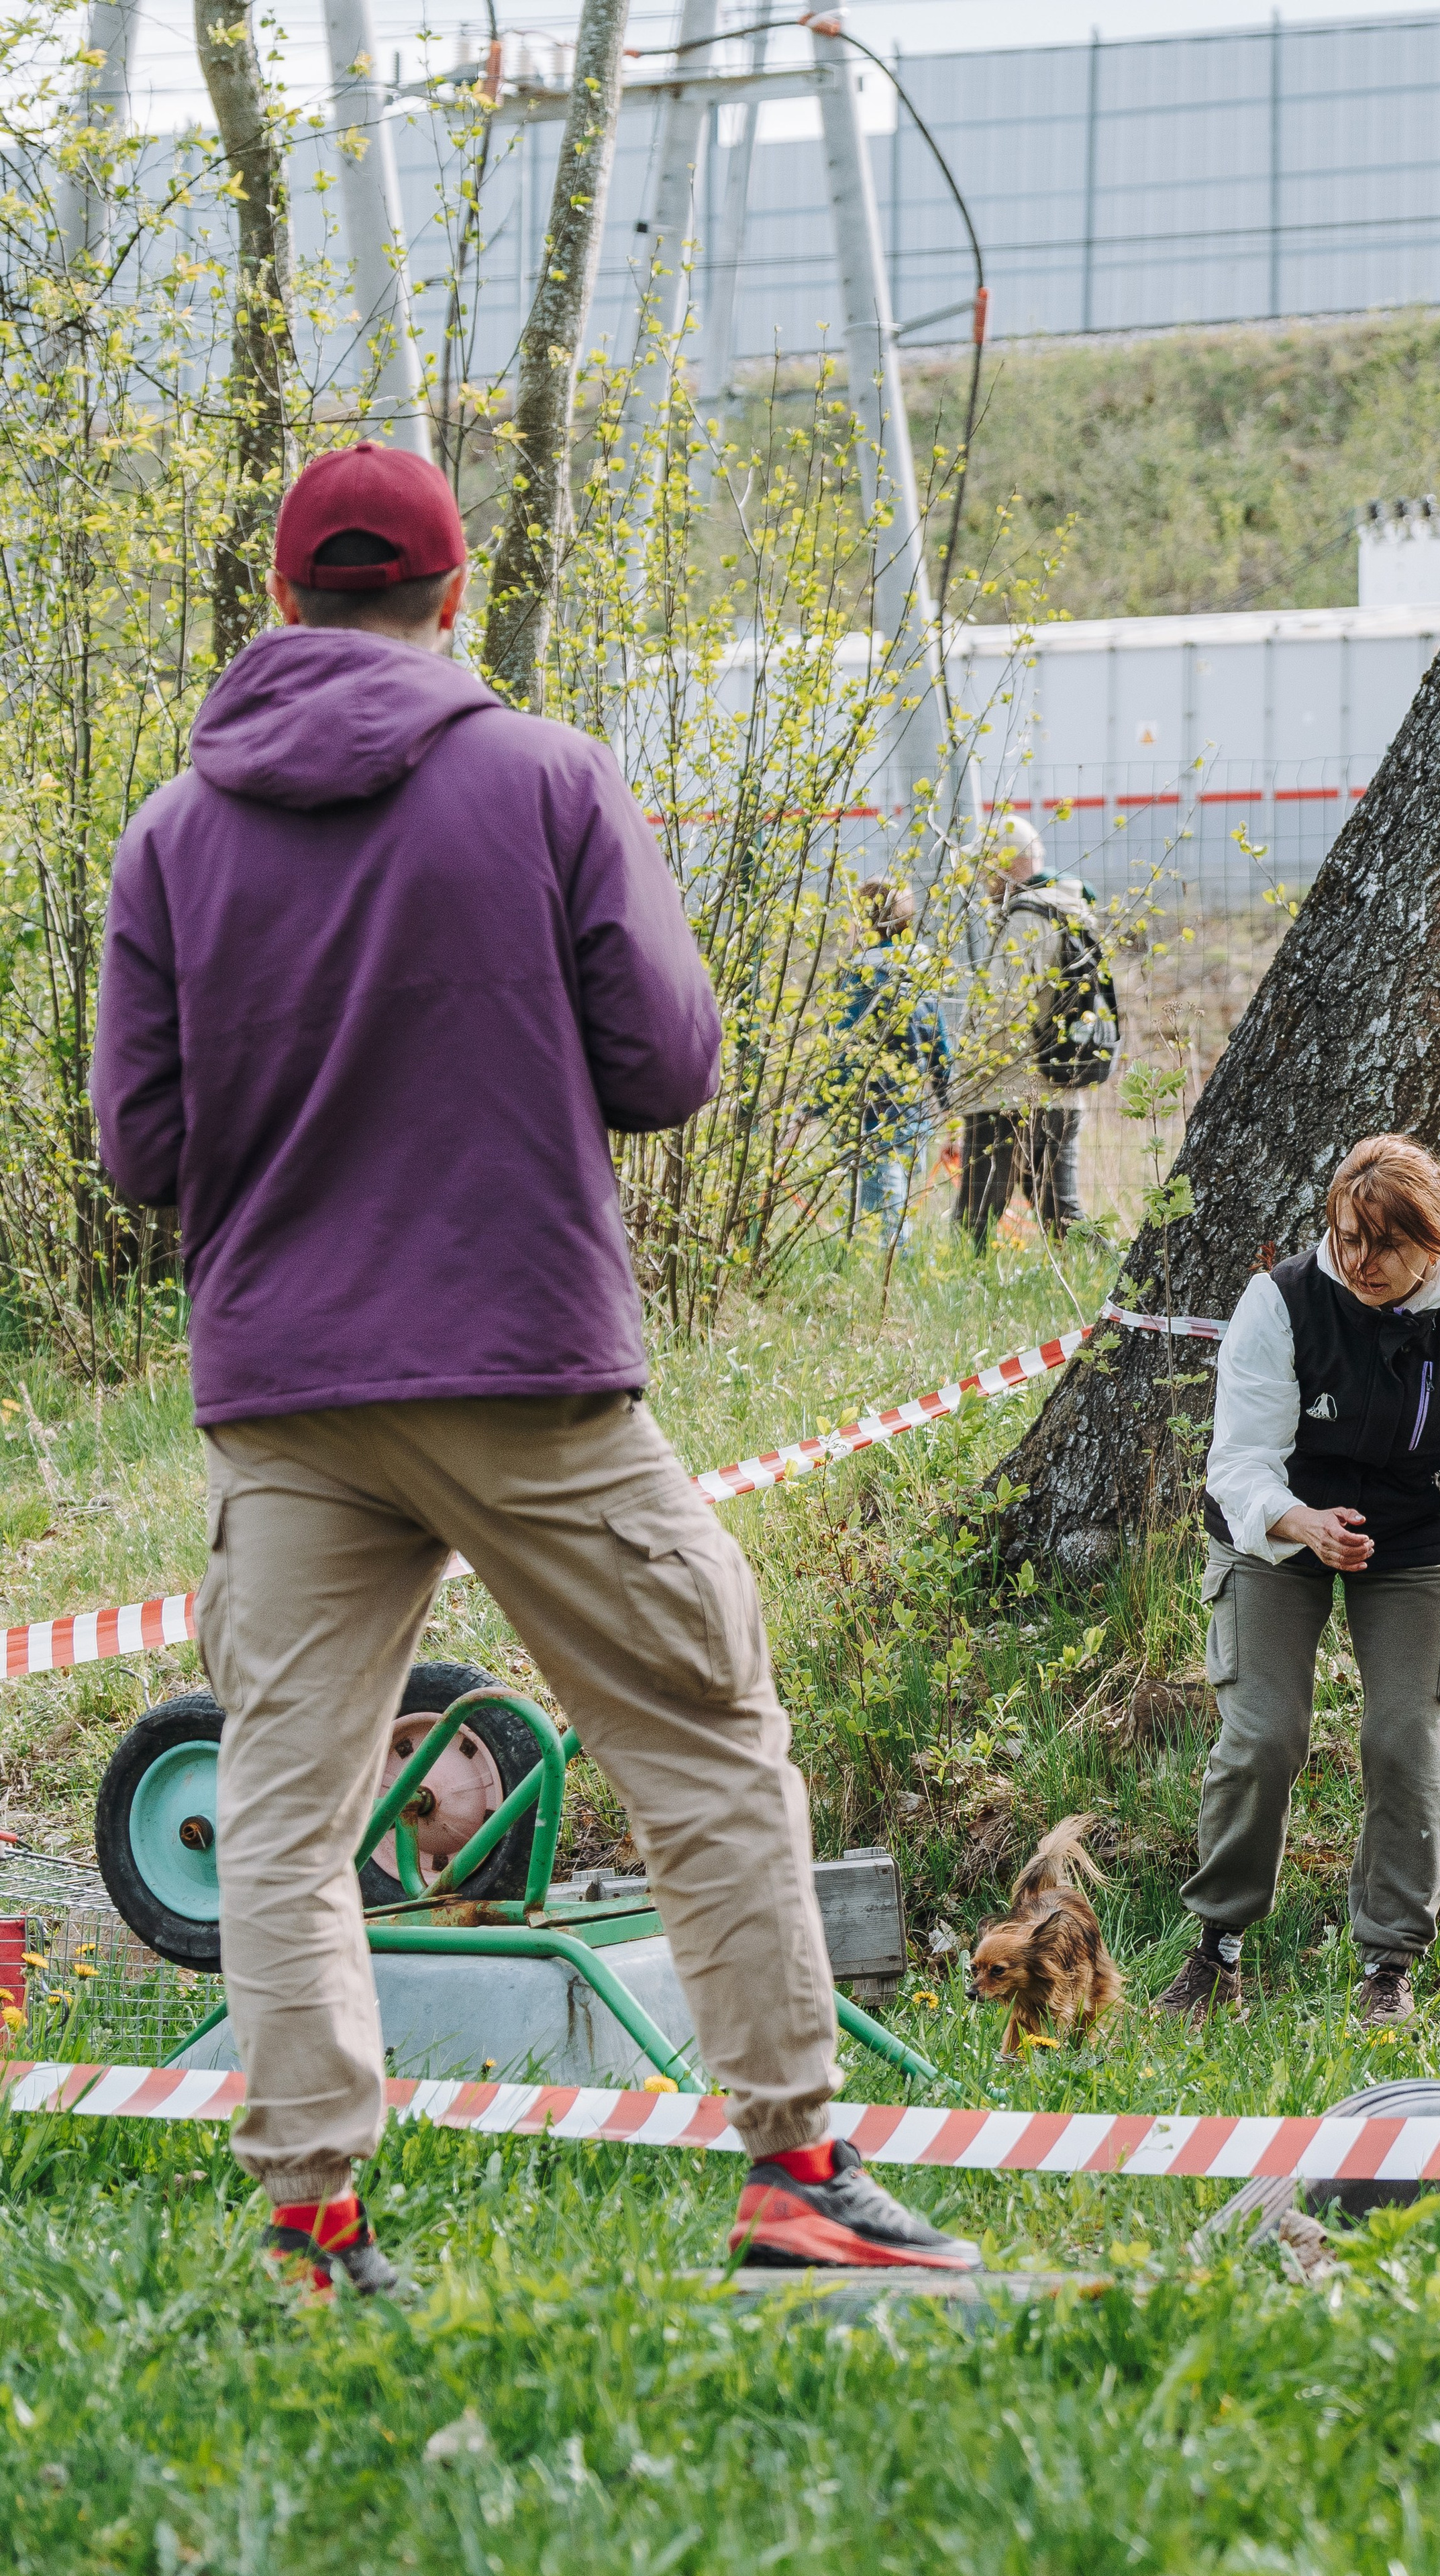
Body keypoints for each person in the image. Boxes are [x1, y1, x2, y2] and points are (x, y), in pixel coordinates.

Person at [91, 441, 978, 2290]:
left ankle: (313, 2222)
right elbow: (664, 1065)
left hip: (287, 1393)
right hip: (522, 1362)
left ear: (281, 602)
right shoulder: (549, 778)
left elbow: (142, 1144)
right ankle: (795, 2173)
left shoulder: (172, 836)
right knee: (707, 1741)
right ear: (454, 592)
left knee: (279, 1810)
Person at [1155, 1134, 1440, 2030]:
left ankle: (1388, 1962)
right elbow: (1236, 1461)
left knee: (1404, 1735)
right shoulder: (1279, 1304)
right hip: (1276, 1532)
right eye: (1348, 1236)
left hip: (1415, 1538)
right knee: (1266, 1730)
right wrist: (1299, 1520)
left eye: (1384, 1244)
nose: (1361, 1260)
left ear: (1434, 1240)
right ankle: (1218, 1950)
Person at [954, 814, 1116, 1246]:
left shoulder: (1026, 919)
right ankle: (1121, 1283)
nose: (983, 882)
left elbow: (1000, 1014)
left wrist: (966, 1081)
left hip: (1010, 1090)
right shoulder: (1072, 911)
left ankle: (961, 1287)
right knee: (1062, 1213)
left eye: (986, 869)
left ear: (1003, 866)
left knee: (974, 1215)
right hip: (1059, 1087)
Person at [827, 878, 951, 1242]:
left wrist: (810, 1111)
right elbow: (940, 1048)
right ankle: (892, 1282)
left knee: (880, 1228)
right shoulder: (922, 972)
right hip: (914, 1116)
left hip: (868, 1117)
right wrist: (948, 1106)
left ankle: (880, 1288)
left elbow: (845, 1056)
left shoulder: (859, 977)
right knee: (899, 1213)